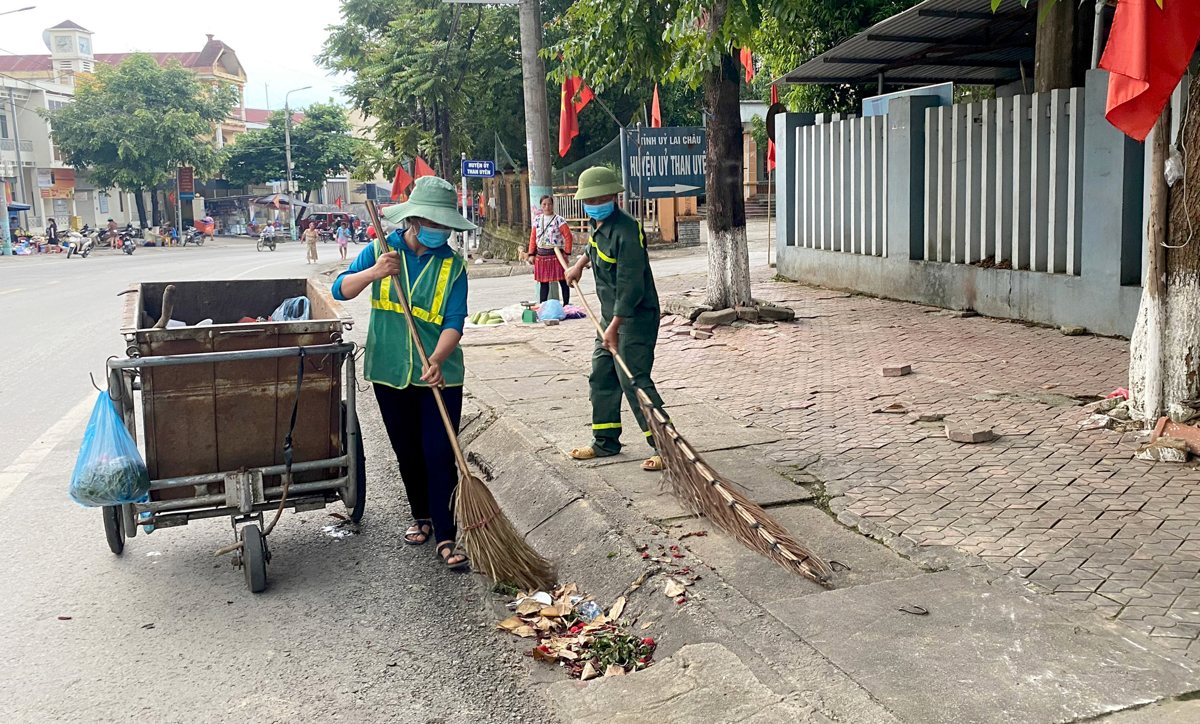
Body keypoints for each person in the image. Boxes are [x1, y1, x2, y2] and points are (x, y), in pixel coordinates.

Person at [332, 176, 475, 570]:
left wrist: (438, 358)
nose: (439, 231)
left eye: (444, 224)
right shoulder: (382, 250)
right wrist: (374, 273)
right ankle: (422, 516)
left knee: (439, 452)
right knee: (407, 451)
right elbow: (340, 290)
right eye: (433, 222)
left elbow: (455, 320)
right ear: (413, 219)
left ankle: (447, 535)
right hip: (390, 369)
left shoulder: (453, 265)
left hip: (438, 374)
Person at [562, 167, 668, 472]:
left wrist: (614, 327)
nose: (595, 202)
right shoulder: (599, 224)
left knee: (632, 378)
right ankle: (605, 442)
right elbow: (592, 246)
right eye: (590, 198)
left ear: (613, 196)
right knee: (602, 375)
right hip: (610, 318)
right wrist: (579, 265)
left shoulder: (627, 230)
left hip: (633, 318)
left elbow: (631, 285)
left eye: (600, 197)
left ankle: (664, 445)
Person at [527, 195, 574, 306]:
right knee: (544, 283)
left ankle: (566, 305)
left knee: (563, 281)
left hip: (557, 255)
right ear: (541, 206)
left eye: (549, 204)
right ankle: (543, 306)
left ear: (553, 205)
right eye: (544, 204)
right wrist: (531, 254)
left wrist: (567, 253)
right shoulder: (537, 220)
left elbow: (568, 236)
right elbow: (533, 237)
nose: (547, 207)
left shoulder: (559, 220)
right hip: (541, 255)